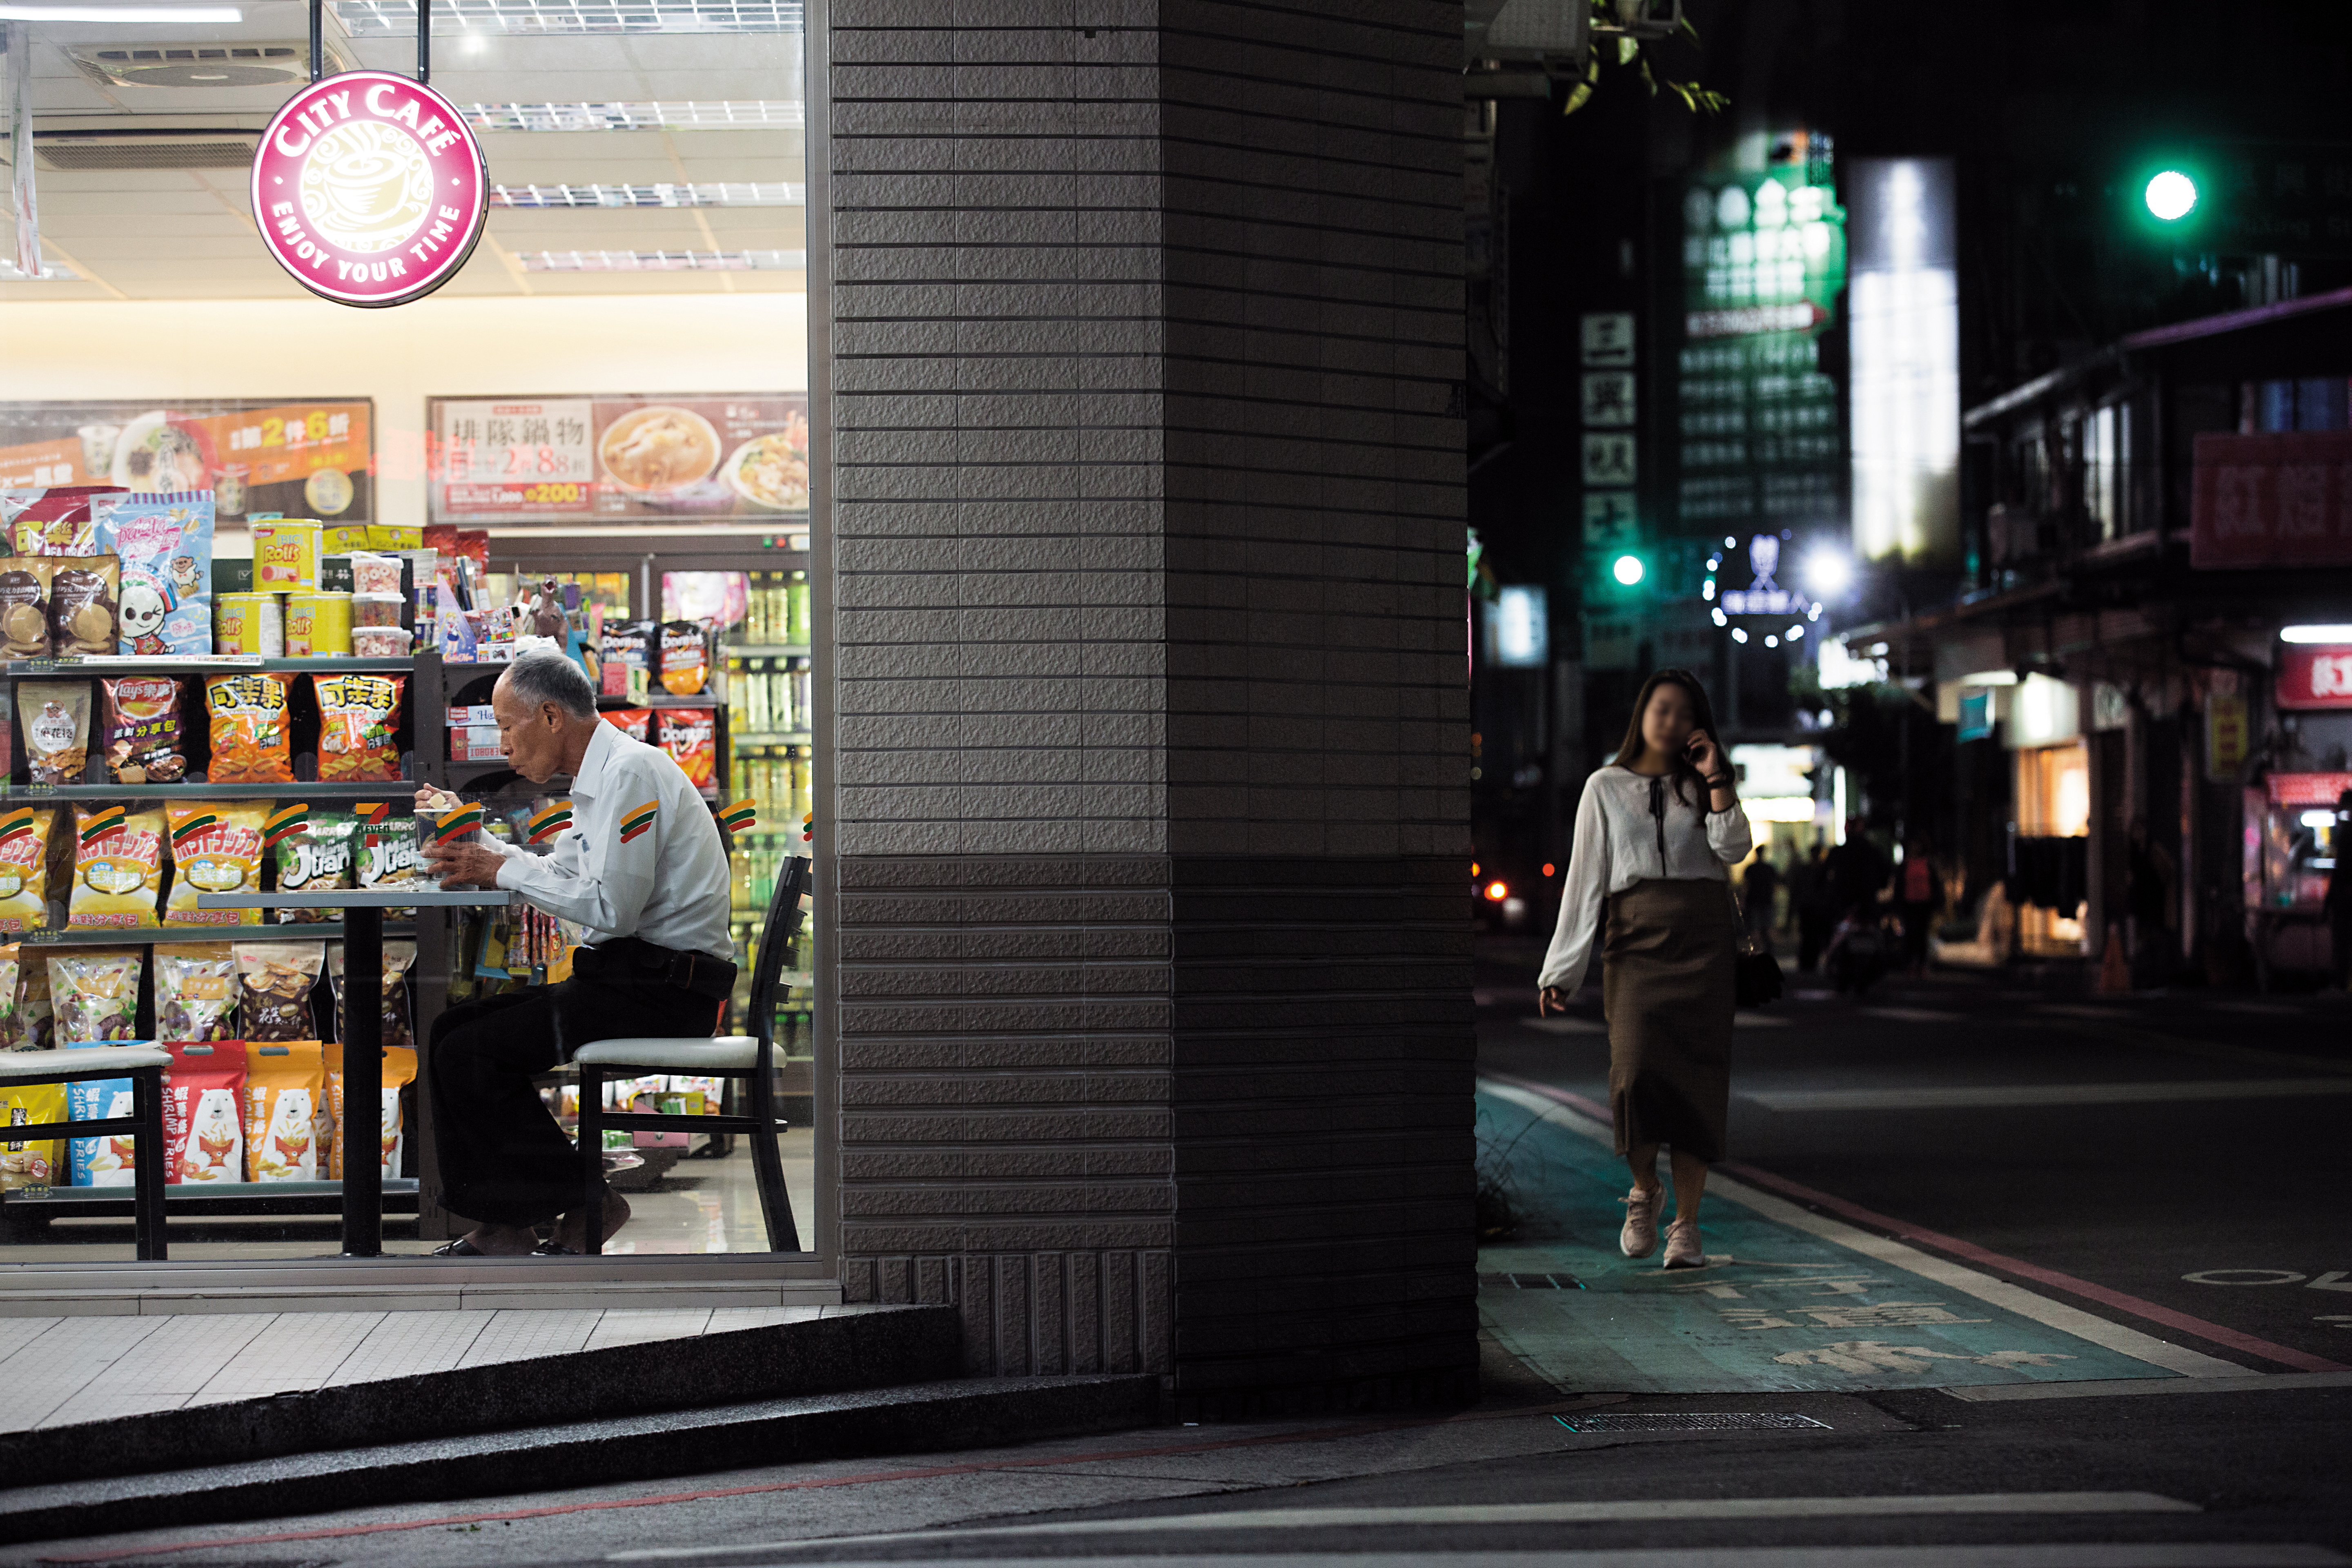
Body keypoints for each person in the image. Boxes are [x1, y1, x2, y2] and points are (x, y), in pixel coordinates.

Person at [418, 651, 736, 1256]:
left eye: (508, 728)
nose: (504, 747)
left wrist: (503, 871)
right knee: (449, 1032)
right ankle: (511, 1221)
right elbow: (560, 870)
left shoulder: (631, 775)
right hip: (624, 984)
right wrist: (470, 836)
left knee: (471, 1051)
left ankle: (578, 1202)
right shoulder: (602, 778)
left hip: (664, 994)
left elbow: (610, 908)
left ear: (551, 717)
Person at [1537, 668, 1751, 1271]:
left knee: (1698, 1083)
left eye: (1684, 713)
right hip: (1634, 939)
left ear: (1697, 724)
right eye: (1661, 709)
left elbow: (1735, 849)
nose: (1671, 721)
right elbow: (1585, 881)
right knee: (1632, 1074)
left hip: (1704, 939)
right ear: (1643, 714)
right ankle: (1644, 1191)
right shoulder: (1604, 786)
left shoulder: (1707, 783)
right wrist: (1563, 969)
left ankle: (1687, 1225)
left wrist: (1715, 777)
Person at [1895, 839, 1942, 977]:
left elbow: (1935, 884)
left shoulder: (1927, 864)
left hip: (1924, 905)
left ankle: (1922, 965)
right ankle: (1909, 965)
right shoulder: (1905, 865)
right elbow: (1899, 886)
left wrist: (1936, 903)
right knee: (1909, 935)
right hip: (1908, 905)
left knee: (1921, 936)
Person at [1794, 842, 1835, 972]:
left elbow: (1798, 890)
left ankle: (1808, 963)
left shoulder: (1807, 870)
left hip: (1809, 908)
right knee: (1815, 937)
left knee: (1809, 937)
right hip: (1816, 908)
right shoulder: (1822, 870)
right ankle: (1811, 962)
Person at [1740, 851, 1781, 954]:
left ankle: (1756, 954)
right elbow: (1776, 885)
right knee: (1769, 927)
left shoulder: (1751, 869)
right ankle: (1770, 953)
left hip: (1754, 902)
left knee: (1755, 928)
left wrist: (1743, 901)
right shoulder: (1770, 868)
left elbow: (1746, 886)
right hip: (1767, 901)